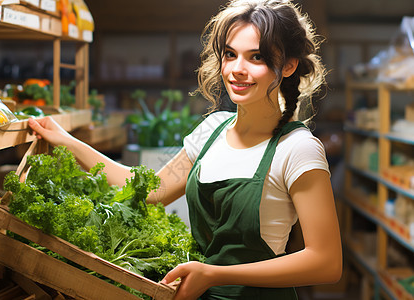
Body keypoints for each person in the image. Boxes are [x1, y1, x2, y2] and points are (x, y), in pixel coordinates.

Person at [28, 0, 342, 299]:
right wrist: (67, 141)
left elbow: (326, 262)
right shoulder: (212, 130)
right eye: (230, 55)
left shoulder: (297, 149)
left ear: (288, 66)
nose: (237, 69)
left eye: (256, 57)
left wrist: (216, 274)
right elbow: (152, 190)